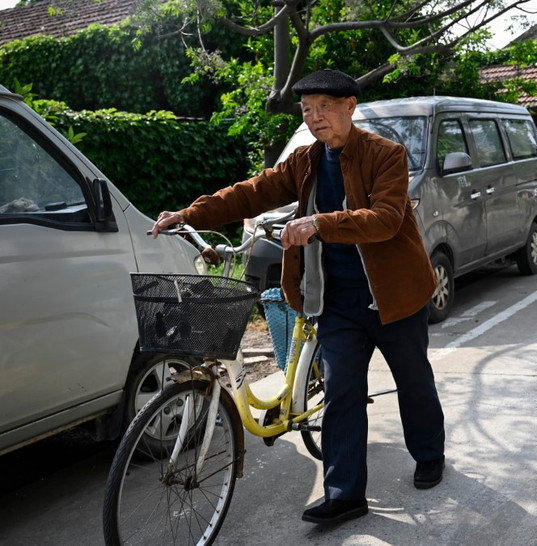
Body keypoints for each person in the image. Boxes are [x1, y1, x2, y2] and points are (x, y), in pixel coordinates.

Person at [151, 69, 446, 525]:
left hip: (394, 297)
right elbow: (252, 192)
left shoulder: (386, 155)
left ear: (349, 107)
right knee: (342, 392)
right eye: (307, 110)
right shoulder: (305, 161)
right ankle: (345, 494)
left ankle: (428, 453)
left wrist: (320, 223)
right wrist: (191, 213)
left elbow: (387, 218)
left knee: (413, 381)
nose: (315, 117)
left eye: (324, 107)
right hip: (338, 302)